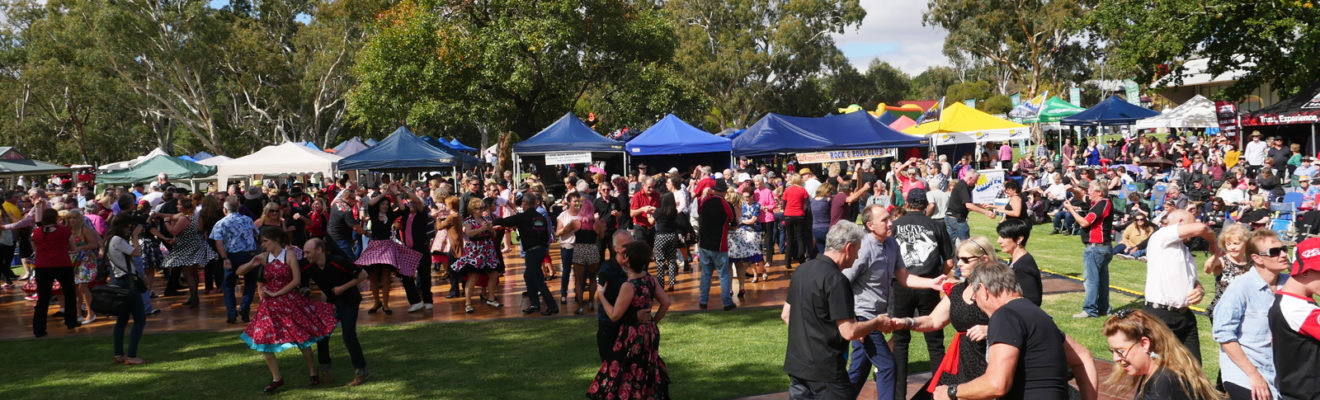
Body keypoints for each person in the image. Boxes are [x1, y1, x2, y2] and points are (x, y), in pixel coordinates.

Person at [932, 262, 1098, 400]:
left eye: (975, 297)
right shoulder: (1039, 315)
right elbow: (1083, 356)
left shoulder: (1005, 316)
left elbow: (996, 384)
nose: (978, 305)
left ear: (983, 290)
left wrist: (951, 392)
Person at [843, 204, 946, 400]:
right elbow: (842, 283)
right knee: (888, 365)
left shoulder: (892, 244)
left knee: (858, 371)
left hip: (877, 317)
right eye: (885, 220)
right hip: (864, 317)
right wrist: (854, 324)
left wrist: (932, 283)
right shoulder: (863, 248)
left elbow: (904, 278)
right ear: (870, 225)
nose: (891, 223)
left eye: (890, 218)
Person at [782, 221, 894, 399]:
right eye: (857, 251)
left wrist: (809, 338)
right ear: (848, 248)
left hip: (798, 366)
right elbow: (848, 331)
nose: (857, 257)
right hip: (826, 371)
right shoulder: (836, 280)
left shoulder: (801, 271)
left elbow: (786, 314)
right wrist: (877, 322)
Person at [237, 227, 338, 393]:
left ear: (276, 240)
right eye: (261, 241)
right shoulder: (264, 257)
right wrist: (252, 263)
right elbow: (239, 271)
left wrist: (276, 292)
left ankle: (313, 373)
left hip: (289, 301)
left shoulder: (289, 255)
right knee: (263, 339)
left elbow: (296, 281)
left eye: (265, 241)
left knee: (301, 338)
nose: (263, 245)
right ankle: (277, 378)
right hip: (269, 306)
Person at [586, 241, 672, 399]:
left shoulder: (629, 286)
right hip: (650, 333)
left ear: (626, 259)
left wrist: (601, 296)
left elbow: (614, 315)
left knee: (626, 371)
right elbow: (666, 302)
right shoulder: (650, 280)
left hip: (633, 336)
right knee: (645, 369)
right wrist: (653, 322)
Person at [890, 189, 955, 399]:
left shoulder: (895, 226)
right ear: (926, 205)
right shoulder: (936, 225)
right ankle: (939, 391)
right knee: (935, 341)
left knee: (900, 341)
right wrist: (936, 278)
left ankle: (898, 394)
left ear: (907, 203)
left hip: (901, 285)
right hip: (929, 284)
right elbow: (950, 261)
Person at [1213, 228, 1286, 400]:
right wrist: (1253, 375)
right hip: (1245, 374)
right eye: (1274, 252)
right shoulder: (1240, 288)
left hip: (1280, 373)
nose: (1283, 255)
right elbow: (1223, 335)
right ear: (1257, 258)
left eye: (1284, 249)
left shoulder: (1290, 284)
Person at [1141, 209, 1213, 364]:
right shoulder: (1160, 236)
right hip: (1160, 314)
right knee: (1158, 368)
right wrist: (1214, 244)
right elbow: (1201, 228)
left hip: (1184, 316)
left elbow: (1192, 281)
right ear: (1181, 222)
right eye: (1191, 222)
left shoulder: (1185, 250)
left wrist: (1199, 290)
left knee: (1194, 368)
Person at [1102, 310, 1219, 400]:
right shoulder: (1159, 371)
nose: (1115, 358)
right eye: (1113, 351)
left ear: (1144, 344)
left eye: (1120, 351)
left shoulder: (1165, 383)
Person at [302, 238, 370, 387]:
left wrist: (342, 288)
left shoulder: (337, 261)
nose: (305, 255)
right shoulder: (309, 267)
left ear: (319, 250)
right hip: (331, 304)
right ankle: (325, 370)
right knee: (322, 335)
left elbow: (363, 274)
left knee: (348, 336)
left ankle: (361, 371)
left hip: (349, 301)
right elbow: (296, 278)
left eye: (307, 252)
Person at [356, 183, 423, 315]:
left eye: (387, 204)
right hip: (375, 245)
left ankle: (386, 304)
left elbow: (403, 209)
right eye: (383, 204)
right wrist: (384, 193)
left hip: (387, 246)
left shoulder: (390, 215)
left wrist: (396, 194)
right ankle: (376, 302)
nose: (385, 206)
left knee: (386, 275)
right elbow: (370, 204)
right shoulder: (374, 214)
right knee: (373, 275)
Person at [493, 193, 558, 315]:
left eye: (522, 202)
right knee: (528, 276)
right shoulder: (539, 217)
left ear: (525, 203)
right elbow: (543, 234)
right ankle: (535, 304)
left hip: (532, 251)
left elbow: (504, 221)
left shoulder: (523, 217)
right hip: (539, 250)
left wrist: (492, 221)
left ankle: (552, 305)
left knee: (538, 280)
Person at [1063, 182, 1115, 319]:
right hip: (1103, 248)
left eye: (1091, 190)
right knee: (1102, 280)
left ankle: (1089, 310)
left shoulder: (1101, 204)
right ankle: (1104, 309)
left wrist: (1071, 209)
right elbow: (1082, 196)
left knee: (1091, 281)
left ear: (1099, 193)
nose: (1088, 193)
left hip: (1096, 247)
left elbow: (1084, 222)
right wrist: (1072, 189)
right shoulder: (1102, 202)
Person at [160, 196, 218, 309]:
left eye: (179, 204)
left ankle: (194, 297)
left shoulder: (184, 219)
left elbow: (174, 231)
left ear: (184, 207)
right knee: (194, 272)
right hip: (195, 244)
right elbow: (200, 229)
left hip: (186, 247)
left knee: (188, 273)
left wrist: (167, 222)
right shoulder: (196, 216)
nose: (177, 206)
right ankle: (193, 297)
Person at [105, 214, 146, 365]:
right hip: (128, 282)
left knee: (122, 320)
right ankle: (131, 355)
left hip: (120, 280)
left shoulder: (110, 239)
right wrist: (135, 236)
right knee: (140, 319)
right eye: (129, 226)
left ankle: (119, 354)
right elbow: (136, 252)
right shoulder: (117, 239)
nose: (130, 229)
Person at [212, 198, 260, 324]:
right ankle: (244, 307)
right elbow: (257, 233)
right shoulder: (248, 220)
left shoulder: (221, 223)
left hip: (232, 256)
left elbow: (218, 242)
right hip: (249, 254)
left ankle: (231, 313)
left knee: (228, 285)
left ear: (224, 210)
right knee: (250, 283)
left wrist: (225, 258)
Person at [451, 198, 503, 313]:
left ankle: (491, 298)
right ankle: (468, 303)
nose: (482, 210)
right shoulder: (468, 221)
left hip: (488, 250)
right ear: (472, 209)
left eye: (483, 208)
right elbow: (469, 233)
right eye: (479, 208)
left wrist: (490, 229)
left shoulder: (487, 218)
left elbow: (493, 234)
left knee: (494, 274)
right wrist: (482, 229)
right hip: (475, 251)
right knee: (473, 277)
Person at [560, 191, 604, 315]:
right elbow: (601, 236)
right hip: (592, 249)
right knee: (593, 279)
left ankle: (580, 306)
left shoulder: (576, 223)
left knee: (579, 281)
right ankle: (590, 302)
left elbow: (564, 231)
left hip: (579, 249)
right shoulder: (595, 224)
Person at [697, 180, 737, 311]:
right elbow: (733, 221)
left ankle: (703, 301)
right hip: (719, 245)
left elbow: (700, 214)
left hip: (704, 244)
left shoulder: (705, 202)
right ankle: (727, 303)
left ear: (714, 190)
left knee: (706, 274)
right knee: (723, 275)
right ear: (725, 192)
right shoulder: (726, 204)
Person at [1204, 223, 1252, 320]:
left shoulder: (1251, 262)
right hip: (1223, 310)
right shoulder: (1222, 260)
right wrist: (1215, 257)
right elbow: (1208, 269)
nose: (1232, 247)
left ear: (1246, 243)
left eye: (1236, 243)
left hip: (1246, 309)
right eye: (1228, 244)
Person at [62, 209, 102, 324]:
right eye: (70, 218)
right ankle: (78, 313)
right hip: (73, 260)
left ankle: (91, 313)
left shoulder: (84, 229)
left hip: (85, 259)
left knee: (82, 287)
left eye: (74, 218)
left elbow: (93, 244)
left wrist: (79, 248)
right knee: (75, 288)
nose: (72, 220)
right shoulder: (67, 230)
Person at [997, 219, 1042, 306]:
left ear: (1019, 239)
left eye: (1003, 237)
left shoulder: (1023, 267)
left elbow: (1032, 300)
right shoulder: (1014, 260)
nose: (998, 241)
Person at [945, 169, 994, 242]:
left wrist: (980, 205)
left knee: (950, 244)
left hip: (950, 217)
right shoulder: (963, 186)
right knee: (966, 243)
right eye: (976, 180)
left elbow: (965, 204)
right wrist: (986, 212)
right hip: (957, 219)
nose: (976, 182)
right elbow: (968, 205)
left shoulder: (961, 185)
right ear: (970, 178)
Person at [651, 191, 682, 291]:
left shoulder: (658, 211)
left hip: (661, 236)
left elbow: (651, 221)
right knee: (672, 260)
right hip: (672, 236)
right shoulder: (673, 211)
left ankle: (661, 284)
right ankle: (672, 283)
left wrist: (648, 214)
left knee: (660, 261)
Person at [783, 173, 812, 269]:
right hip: (799, 215)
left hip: (788, 215)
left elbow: (784, 204)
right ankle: (801, 260)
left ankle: (787, 262)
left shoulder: (787, 190)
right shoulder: (803, 190)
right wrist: (801, 211)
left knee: (790, 238)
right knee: (800, 238)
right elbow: (806, 205)